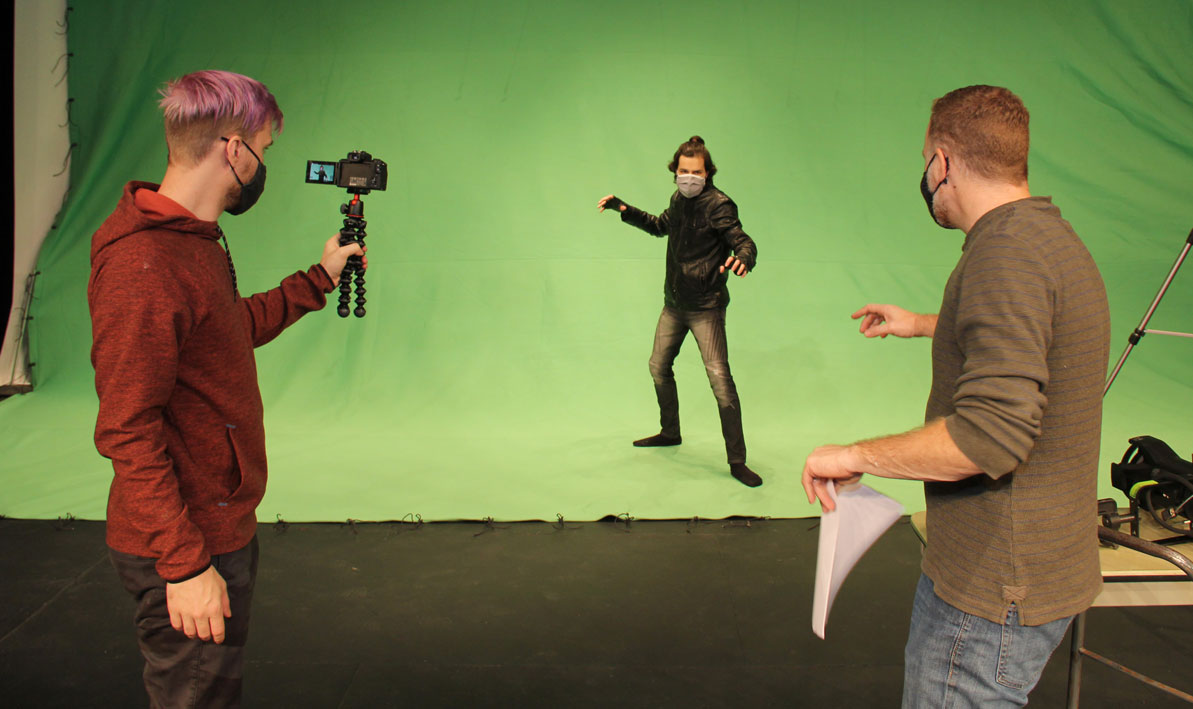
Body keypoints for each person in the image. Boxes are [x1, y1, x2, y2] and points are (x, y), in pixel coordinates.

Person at [801, 85, 1110, 707]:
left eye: (925, 161)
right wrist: (919, 322)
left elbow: (990, 436)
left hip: (993, 588)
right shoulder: (1047, 238)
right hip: (1042, 566)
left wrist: (856, 456)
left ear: (942, 162)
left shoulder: (1006, 255)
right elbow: (1025, 336)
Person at [88, 70, 364, 707]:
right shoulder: (144, 266)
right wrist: (182, 564)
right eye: (263, 150)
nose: (263, 163)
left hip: (217, 521)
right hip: (185, 541)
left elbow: (224, 333)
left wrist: (317, 278)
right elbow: (126, 427)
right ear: (233, 149)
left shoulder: (193, 243)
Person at [598, 136, 761, 488]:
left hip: (706, 308)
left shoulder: (719, 204)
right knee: (658, 365)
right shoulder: (678, 200)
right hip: (674, 303)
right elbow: (659, 226)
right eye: (684, 172)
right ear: (675, 172)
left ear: (708, 173)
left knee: (720, 381)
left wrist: (744, 258)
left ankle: (737, 461)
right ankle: (670, 432)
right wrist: (623, 209)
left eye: (696, 172)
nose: (690, 178)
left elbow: (741, 240)